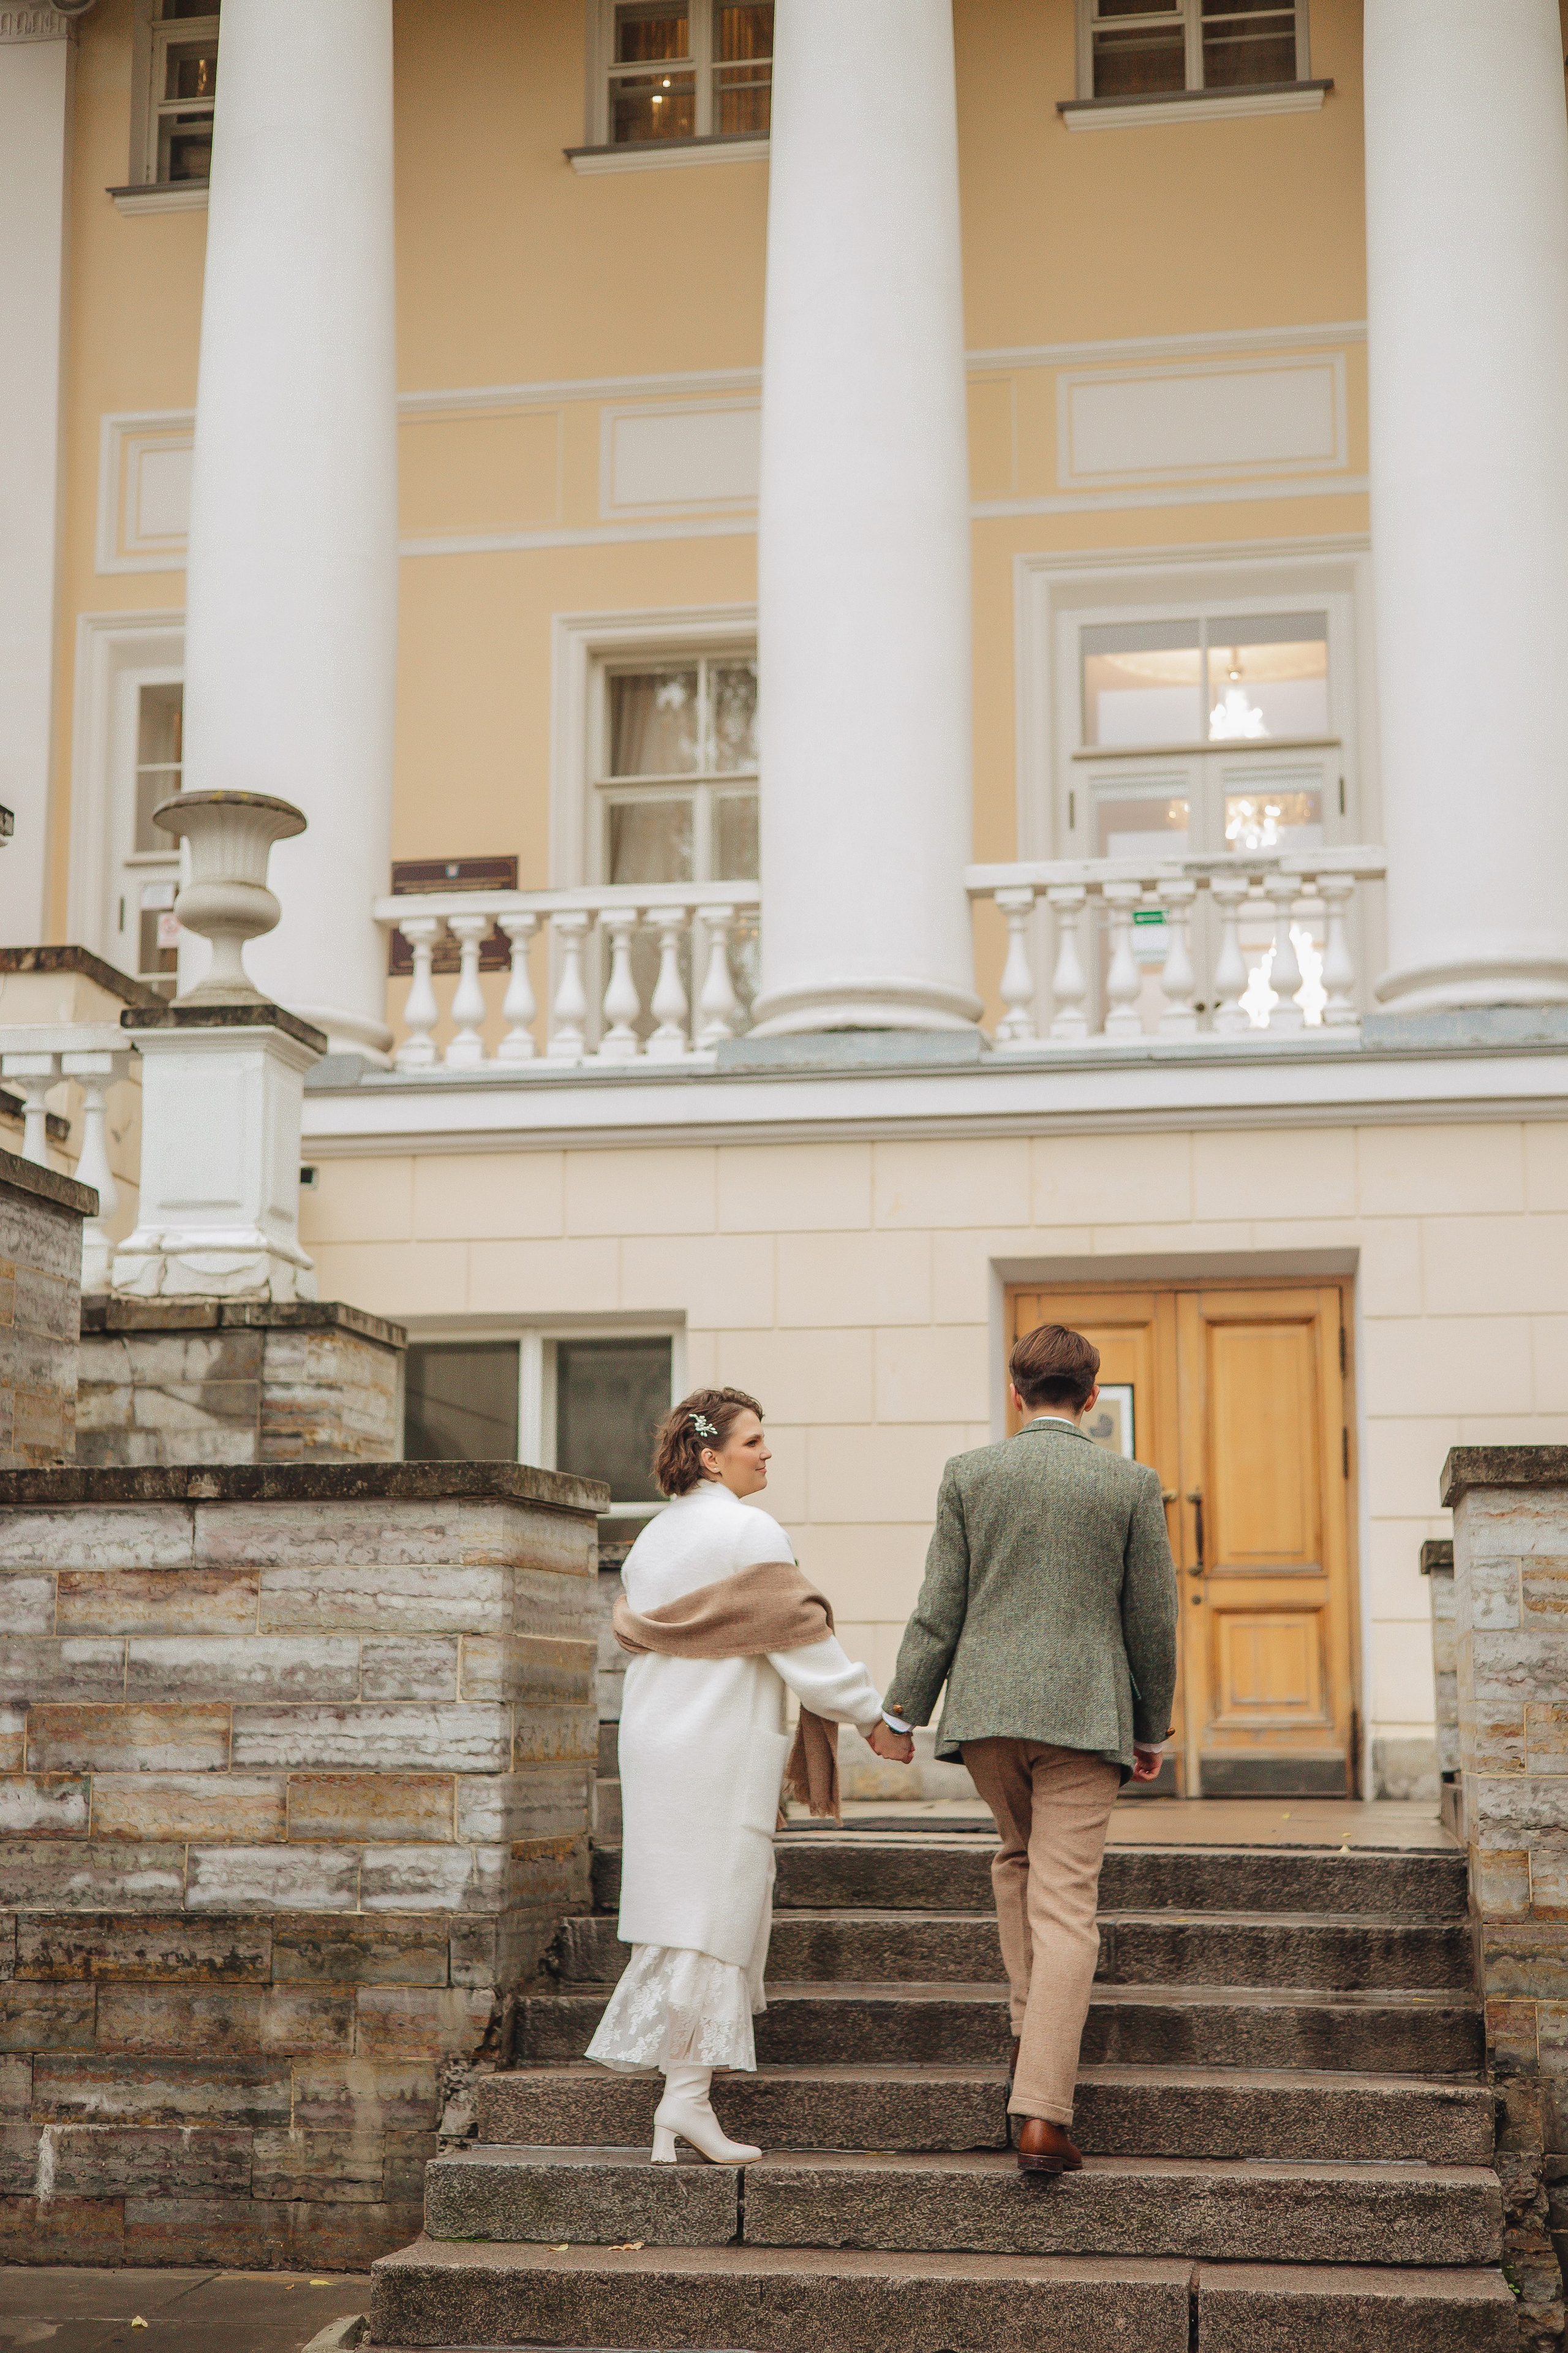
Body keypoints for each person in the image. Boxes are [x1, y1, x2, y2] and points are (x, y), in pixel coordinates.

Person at [586, 1384, 913, 2164]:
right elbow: (804, 1645)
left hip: (657, 1740)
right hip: (719, 1746)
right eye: (753, 1441)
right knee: (717, 1916)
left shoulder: (653, 1539)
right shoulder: (749, 1529)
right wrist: (874, 1715)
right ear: (709, 1455)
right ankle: (685, 2102)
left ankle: (679, 2104)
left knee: (681, 1915)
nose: (767, 1453)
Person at [883, 1323, 1178, 2177]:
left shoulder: (971, 1474)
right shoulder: (1129, 1482)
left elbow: (939, 1605)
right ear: (1091, 1398)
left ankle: (1026, 2041)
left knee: (1018, 1862)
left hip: (987, 1717)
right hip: (1086, 1718)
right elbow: (1150, 1620)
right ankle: (1043, 2113)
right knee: (1066, 1907)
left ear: (1016, 1392)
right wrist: (1149, 1725)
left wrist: (903, 1713)